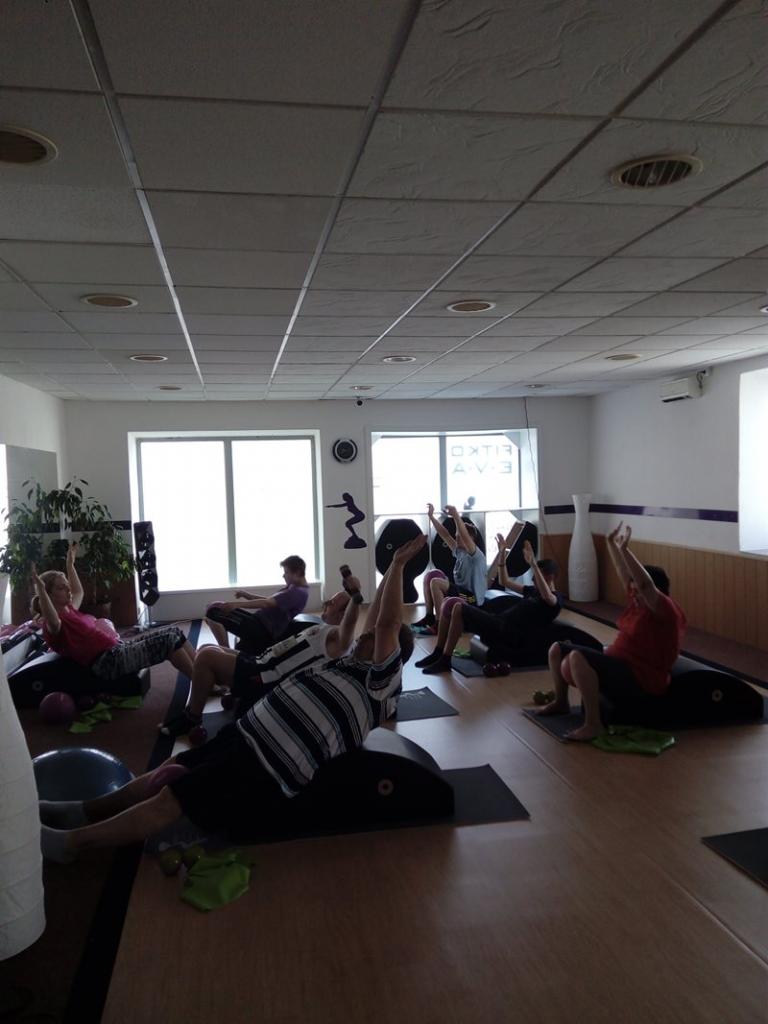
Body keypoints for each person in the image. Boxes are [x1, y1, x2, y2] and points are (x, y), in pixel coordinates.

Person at [38, 534, 425, 862]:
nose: (366, 634)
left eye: (372, 637)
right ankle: (81, 811)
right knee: (167, 770)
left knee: (171, 797)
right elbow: (370, 620)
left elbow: (387, 622)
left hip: (270, 760)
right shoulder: (347, 663)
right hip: (248, 732)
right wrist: (358, 594)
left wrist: (396, 564)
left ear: (392, 657)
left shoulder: (382, 686)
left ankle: (70, 844)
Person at [537, 523, 687, 741]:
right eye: (632, 591)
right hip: (620, 666)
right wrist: (611, 544)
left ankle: (593, 724)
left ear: (659, 593)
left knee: (577, 658)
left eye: (638, 591)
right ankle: (561, 702)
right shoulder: (639, 603)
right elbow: (626, 575)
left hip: (641, 679)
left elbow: (645, 585)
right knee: (557, 650)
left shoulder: (666, 611)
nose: (633, 594)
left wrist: (625, 549)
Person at [158, 586, 356, 737]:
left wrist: (356, 597)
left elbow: (350, 634)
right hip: (263, 661)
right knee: (206, 648)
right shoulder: (320, 627)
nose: (326, 603)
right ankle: (205, 691)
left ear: (343, 615)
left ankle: (192, 717)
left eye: (331, 602)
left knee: (206, 656)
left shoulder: (337, 640)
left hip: (265, 677)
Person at [31, 541, 195, 681]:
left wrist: (70, 565)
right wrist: (41, 590)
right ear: (48, 595)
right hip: (108, 663)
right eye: (62, 588)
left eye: (67, 586)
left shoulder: (70, 609)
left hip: (116, 649)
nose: (68, 590)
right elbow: (53, 620)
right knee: (169, 641)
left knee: (174, 631)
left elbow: (78, 592)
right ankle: (200, 683)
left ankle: (202, 672)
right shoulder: (53, 625)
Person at [416, 537, 561, 674]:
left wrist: (533, 564)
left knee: (459, 607)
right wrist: (502, 554)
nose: (533, 579)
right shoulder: (533, 591)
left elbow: (548, 597)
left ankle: (445, 660)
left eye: (537, 575)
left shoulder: (556, 600)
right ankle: (438, 653)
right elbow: (504, 581)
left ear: (550, 577)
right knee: (451, 604)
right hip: (499, 621)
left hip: (508, 632)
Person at [205, 555, 309, 653]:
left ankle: (225, 652)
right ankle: (226, 651)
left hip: (261, 630)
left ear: (297, 572)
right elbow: (270, 601)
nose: (283, 575)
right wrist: (247, 595)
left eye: (286, 572)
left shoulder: (297, 592)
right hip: (258, 622)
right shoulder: (297, 588)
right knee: (215, 607)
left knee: (213, 611)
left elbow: (266, 603)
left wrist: (236, 604)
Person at [412, 504, 488, 630]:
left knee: (436, 582)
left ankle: (440, 624)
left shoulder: (476, 556)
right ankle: (430, 616)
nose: (457, 539)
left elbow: (464, 535)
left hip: (471, 599)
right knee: (431, 575)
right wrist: (431, 517)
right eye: (456, 536)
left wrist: (456, 515)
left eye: (460, 537)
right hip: (461, 593)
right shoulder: (460, 552)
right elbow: (445, 535)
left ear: (470, 539)